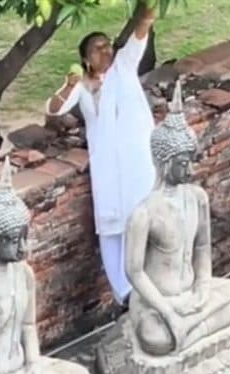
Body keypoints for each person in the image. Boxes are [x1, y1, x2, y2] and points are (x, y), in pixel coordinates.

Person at [45, 2, 157, 306]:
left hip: (138, 163)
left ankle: (155, 285)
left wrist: (146, 12)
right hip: (107, 168)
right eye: (98, 48)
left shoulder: (124, 66)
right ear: (85, 59)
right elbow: (53, 109)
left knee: (146, 221)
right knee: (112, 231)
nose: (105, 51)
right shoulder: (81, 86)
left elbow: (141, 30)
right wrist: (68, 86)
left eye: (108, 45)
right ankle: (126, 297)